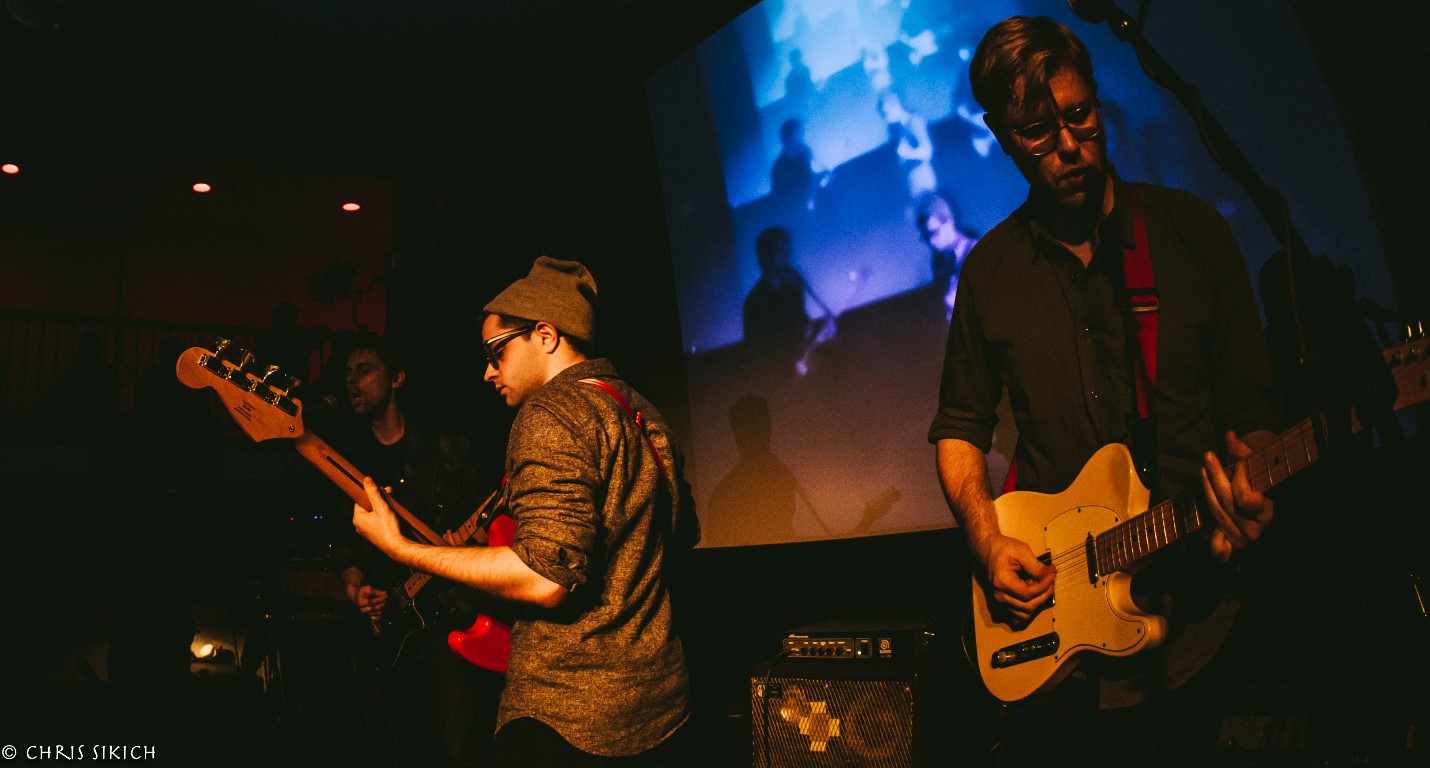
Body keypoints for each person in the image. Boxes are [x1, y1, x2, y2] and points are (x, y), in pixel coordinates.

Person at [927, 16, 1280, 765]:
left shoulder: (1191, 233)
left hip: (1201, 624)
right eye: (1036, 132)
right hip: (1058, 644)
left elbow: (1254, 412)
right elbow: (959, 427)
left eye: (1080, 115)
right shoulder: (988, 272)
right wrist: (986, 541)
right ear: (1001, 137)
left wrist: (1249, 493)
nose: (1068, 145)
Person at [352, 256, 699, 766]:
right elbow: (682, 532)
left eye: (497, 351)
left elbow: (544, 579)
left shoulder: (550, 413)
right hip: (661, 705)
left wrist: (400, 548)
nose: (488, 371)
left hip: (566, 717)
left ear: (545, 335)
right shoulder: (642, 411)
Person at [327, 331, 500, 768]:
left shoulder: (445, 445)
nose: (352, 381)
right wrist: (356, 589)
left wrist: (472, 544)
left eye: (365, 370)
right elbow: (345, 544)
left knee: (458, 747)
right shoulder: (350, 460)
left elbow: (487, 519)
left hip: (450, 619)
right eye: (348, 373)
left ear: (397, 378)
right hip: (388, 629)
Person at [914, 189, 979, 322]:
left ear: (949, 221)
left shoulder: (977, 253)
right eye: (925, 236)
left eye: (933, 232)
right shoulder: (940, 262)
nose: (931, 242)